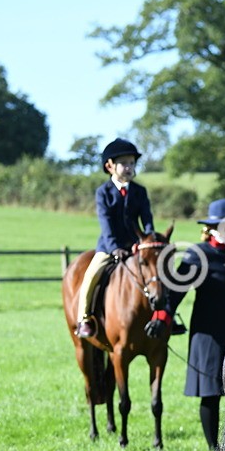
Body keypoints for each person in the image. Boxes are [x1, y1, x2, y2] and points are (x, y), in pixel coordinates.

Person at [167, 199, 225, 451]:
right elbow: (175, 292)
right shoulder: (197, 254)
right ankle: (213, 448)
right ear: (217, 227)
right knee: (210, 392)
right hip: (208, 334)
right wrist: (163, 316)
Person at [74, 138, 155, 338]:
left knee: (159, 274)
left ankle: (166, 316)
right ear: (110, 166)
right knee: (92, 274)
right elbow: (106, 223)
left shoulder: (140, 191)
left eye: (132, 163)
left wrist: (149, 241)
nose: (129, 167)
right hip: (110, 247)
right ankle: (84, 318)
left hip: (137, 246)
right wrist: (114, 247)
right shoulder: (103, 192)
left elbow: (147, 219)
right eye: (124, 163)